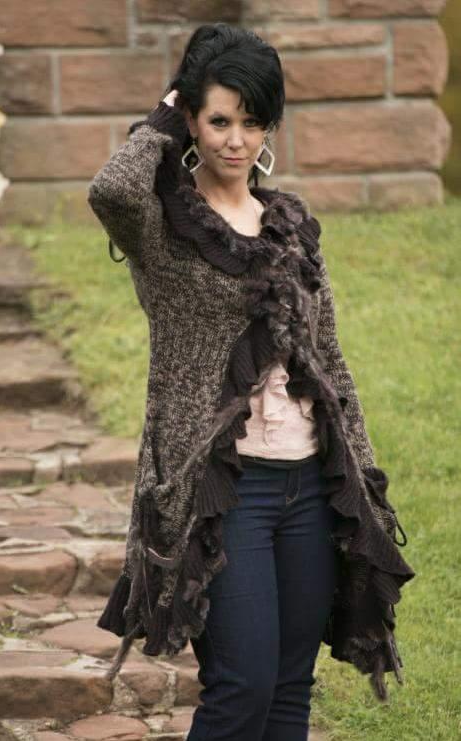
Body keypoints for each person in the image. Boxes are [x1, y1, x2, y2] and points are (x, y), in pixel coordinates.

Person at [88, 23, 415, 741]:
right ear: (192, 120)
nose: (236, 140)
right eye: (218, 121)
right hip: (225, 491)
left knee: (290, 691)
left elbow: (329, 362)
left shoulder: (290, 225)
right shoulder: (163, 226)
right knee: (242, 688)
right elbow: (111, 189)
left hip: (309, 485)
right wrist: (165, 112)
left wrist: (359, 479)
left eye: (252, 121)